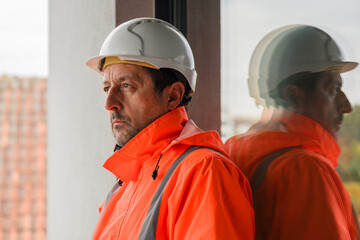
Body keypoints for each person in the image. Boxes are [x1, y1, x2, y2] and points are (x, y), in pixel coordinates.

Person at [86, 17, 254, 240]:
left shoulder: (203, 172)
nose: (110, 103)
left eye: (127, 86)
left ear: (173, 95)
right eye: (107, 88)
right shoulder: (127, 182)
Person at [226, 25, 359, 239]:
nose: (346, 106)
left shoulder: (232, 154)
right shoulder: (305, 168)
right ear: (293, 96)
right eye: (333, 90)